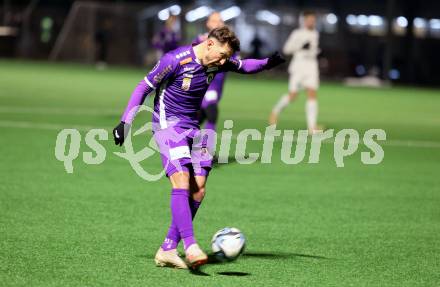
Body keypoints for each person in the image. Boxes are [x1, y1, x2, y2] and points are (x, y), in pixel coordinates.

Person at [112, 26, 284, 269]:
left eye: (226, 57)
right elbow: (144, 87)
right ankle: (190, 245)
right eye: (222, 54)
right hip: (169, 127)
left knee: (198, 190)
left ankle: (168, 248)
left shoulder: (218, 62)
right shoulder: (174, 60)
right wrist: (125, 122)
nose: (224, 61)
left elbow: (244, 66)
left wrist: (269, 62)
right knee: (181, 179)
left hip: (195, 129)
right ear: (210, 44)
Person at [269, 11, 321, 134]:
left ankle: (311, 127)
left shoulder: (316, 33)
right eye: (309, 19)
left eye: (313, 20)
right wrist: (301, 46)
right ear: (304, 20)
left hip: (311, 67)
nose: (311, 22)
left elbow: (313, 50)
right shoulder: (297, 33)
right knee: (293, 96)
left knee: (312, 94)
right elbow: (287, 49)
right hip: (298, 67)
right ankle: (275, 112)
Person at [194, 12, 227, 136]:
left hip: (217, 86)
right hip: (206, 84)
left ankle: (184, 144)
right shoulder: (201, 40)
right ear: (208, 23)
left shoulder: (226, 42)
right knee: (212, 114)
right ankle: (206, 151)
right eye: (214, 21)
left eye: (219, 21)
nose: (217, 23)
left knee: (199, 117)